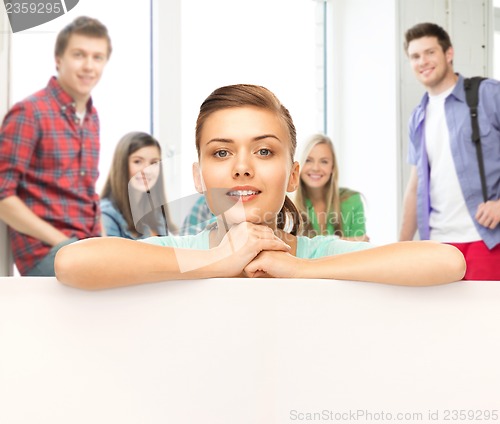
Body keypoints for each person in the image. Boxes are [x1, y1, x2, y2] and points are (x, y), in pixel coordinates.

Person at [55, 84, 465, 290]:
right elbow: (72, 264)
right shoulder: (182, 254)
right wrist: (217, 264)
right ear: (199, 177)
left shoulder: (318, 254)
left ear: (292, 175)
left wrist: (302, 269)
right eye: (221, 154)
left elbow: (447, 262)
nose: (242, 168)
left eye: (265, 152)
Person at [0, 16, 111, 276]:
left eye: (97, 57)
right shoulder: (30, 112)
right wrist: (62, 242)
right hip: (47, 251)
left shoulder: (92, 117)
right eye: (79, 55)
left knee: (144, 269)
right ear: (59, 59)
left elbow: (88, 195)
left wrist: (107, 244)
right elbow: (3, 196)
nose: (88, 66)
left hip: (86, 246)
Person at [399, 22, 500, 280]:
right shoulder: (418, 117)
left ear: (449, 53)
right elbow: (415, 186)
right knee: (440, 321)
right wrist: (400, 247)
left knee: (488, 320)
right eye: (415, 56)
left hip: (486, 239)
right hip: (438, 245)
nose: (423, 61)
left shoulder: (488, 94)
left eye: (430, 52)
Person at [100, 131, 178, 239]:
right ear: (121, 165)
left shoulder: (155, 213)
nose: (147, 170)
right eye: (137, 161)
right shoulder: (106, 216)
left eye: (154, 163)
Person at [294, 134, 368, 241]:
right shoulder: (286, 203)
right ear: (298, 165)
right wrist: (347, 241)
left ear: (332, 167)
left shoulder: (351, 200)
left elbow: (360, 249)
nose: (315, 168)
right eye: (308, 160)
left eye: (324, 161)